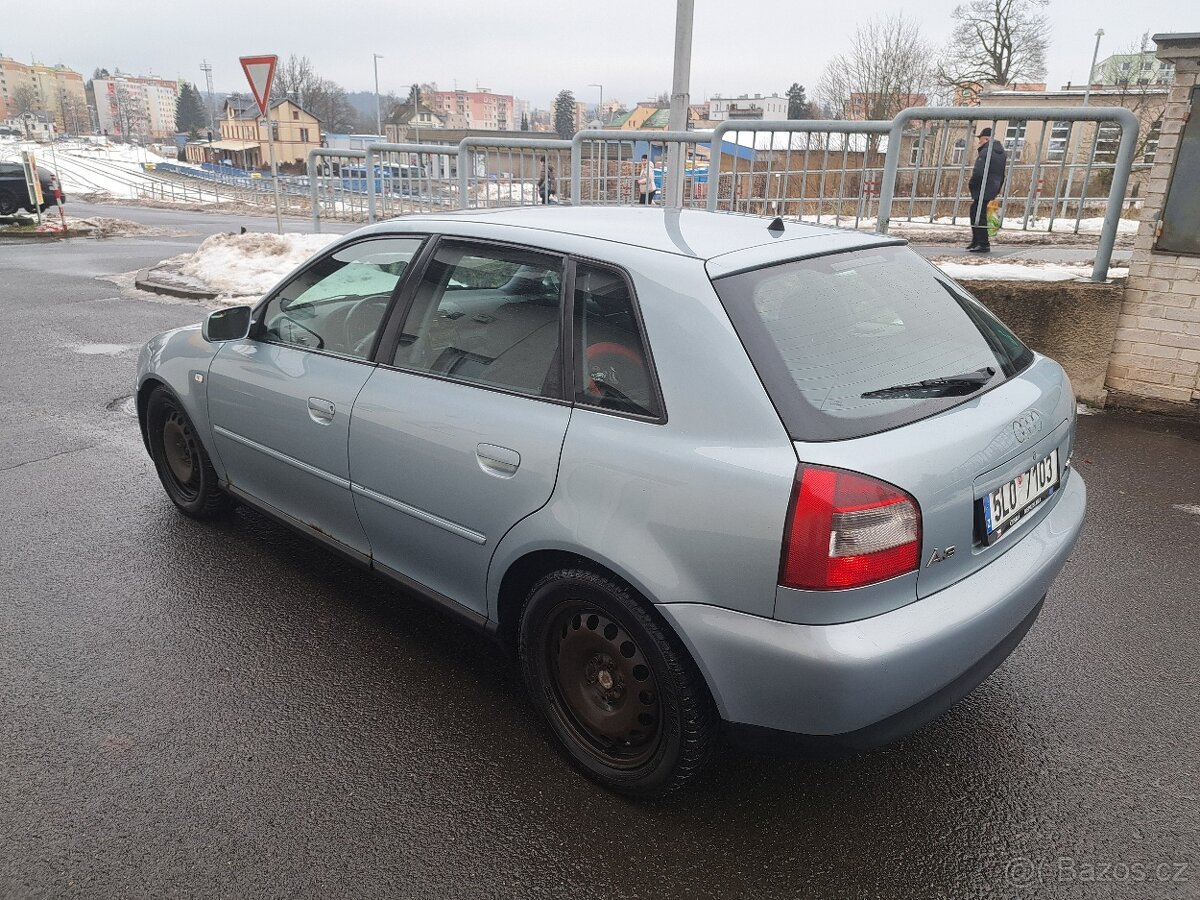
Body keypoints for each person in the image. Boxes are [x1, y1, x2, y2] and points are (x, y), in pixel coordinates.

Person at [967, 127, 1007, 253]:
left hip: (983, 187)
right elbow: (1002, 174)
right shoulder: (1001, 153)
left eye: (980, 139)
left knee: (978, 213)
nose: (979, 142)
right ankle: (976, 241)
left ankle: (982, 243)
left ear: (986, 138)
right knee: (978, 211)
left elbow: (978, 172)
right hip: (993, 187)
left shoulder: (986, 152)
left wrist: (972, 184)